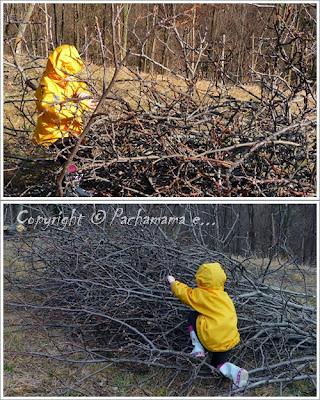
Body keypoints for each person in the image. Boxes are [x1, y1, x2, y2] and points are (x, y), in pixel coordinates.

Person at [167, 262, 248, 388]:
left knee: (193, 316)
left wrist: (173, 283)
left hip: (212, 338)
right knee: (219, 364)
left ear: (201, 279)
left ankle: (198, 347)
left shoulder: (202, 295)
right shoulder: (225, 296)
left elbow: (185, 294)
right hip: (229, 339)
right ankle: (236, 373)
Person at [32, 44, 97, 190]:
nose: (71, 77)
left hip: (71, 130)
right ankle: (71, 188)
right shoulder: (47, 85)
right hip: (53, 133)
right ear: (58, 69)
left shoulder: (70, 79)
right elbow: (52, 109)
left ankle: (80, 182)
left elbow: (79, 87)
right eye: (68, 73)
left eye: (73, 73)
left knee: (85, 154)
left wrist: (83, 96)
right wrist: (78, 106)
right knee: (70, 158)